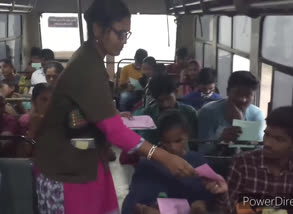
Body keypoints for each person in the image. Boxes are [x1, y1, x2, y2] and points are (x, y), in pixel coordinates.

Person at [34, 1, 195, 214]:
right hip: (65, 167)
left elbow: (81, 111)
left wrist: (112, 114)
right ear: (98, 29)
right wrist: (164, 156)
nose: (124, 42)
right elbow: (114, 132)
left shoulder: (89, 58)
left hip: (81, 159)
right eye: (120, 34)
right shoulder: (87, 67)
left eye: (127, 35)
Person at [204, 106, 293, 214]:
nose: (267, 143)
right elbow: (229, 210)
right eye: (266, 134)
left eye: (279, 139)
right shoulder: (243, 163)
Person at [122, 110, 217, 214]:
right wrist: (142, 209)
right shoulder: (147, 164)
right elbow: (131, 204)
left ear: (188, 136)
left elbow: (213, 198)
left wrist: (202, 204)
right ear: (160, 139)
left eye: (178, 141)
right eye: (166, 142)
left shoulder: (199, 162)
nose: (172, 147)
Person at [198, 71, 265, 154]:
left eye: (248, 95)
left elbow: (258, 153)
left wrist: (241, 124)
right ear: (227, 92)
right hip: (213, 165)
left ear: (253, 96)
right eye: (237, 94)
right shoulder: (208, 112)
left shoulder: (256, 115)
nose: (243, 99)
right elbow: (203, 151)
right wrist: (219, 141)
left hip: (245, 166)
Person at [134, 74, 198, 146]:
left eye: (168, 99)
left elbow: (194, 142)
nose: (165, 104)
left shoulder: (189, 113)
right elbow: (147, 146)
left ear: (176, 92)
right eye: (160, 101)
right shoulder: (147, 115)